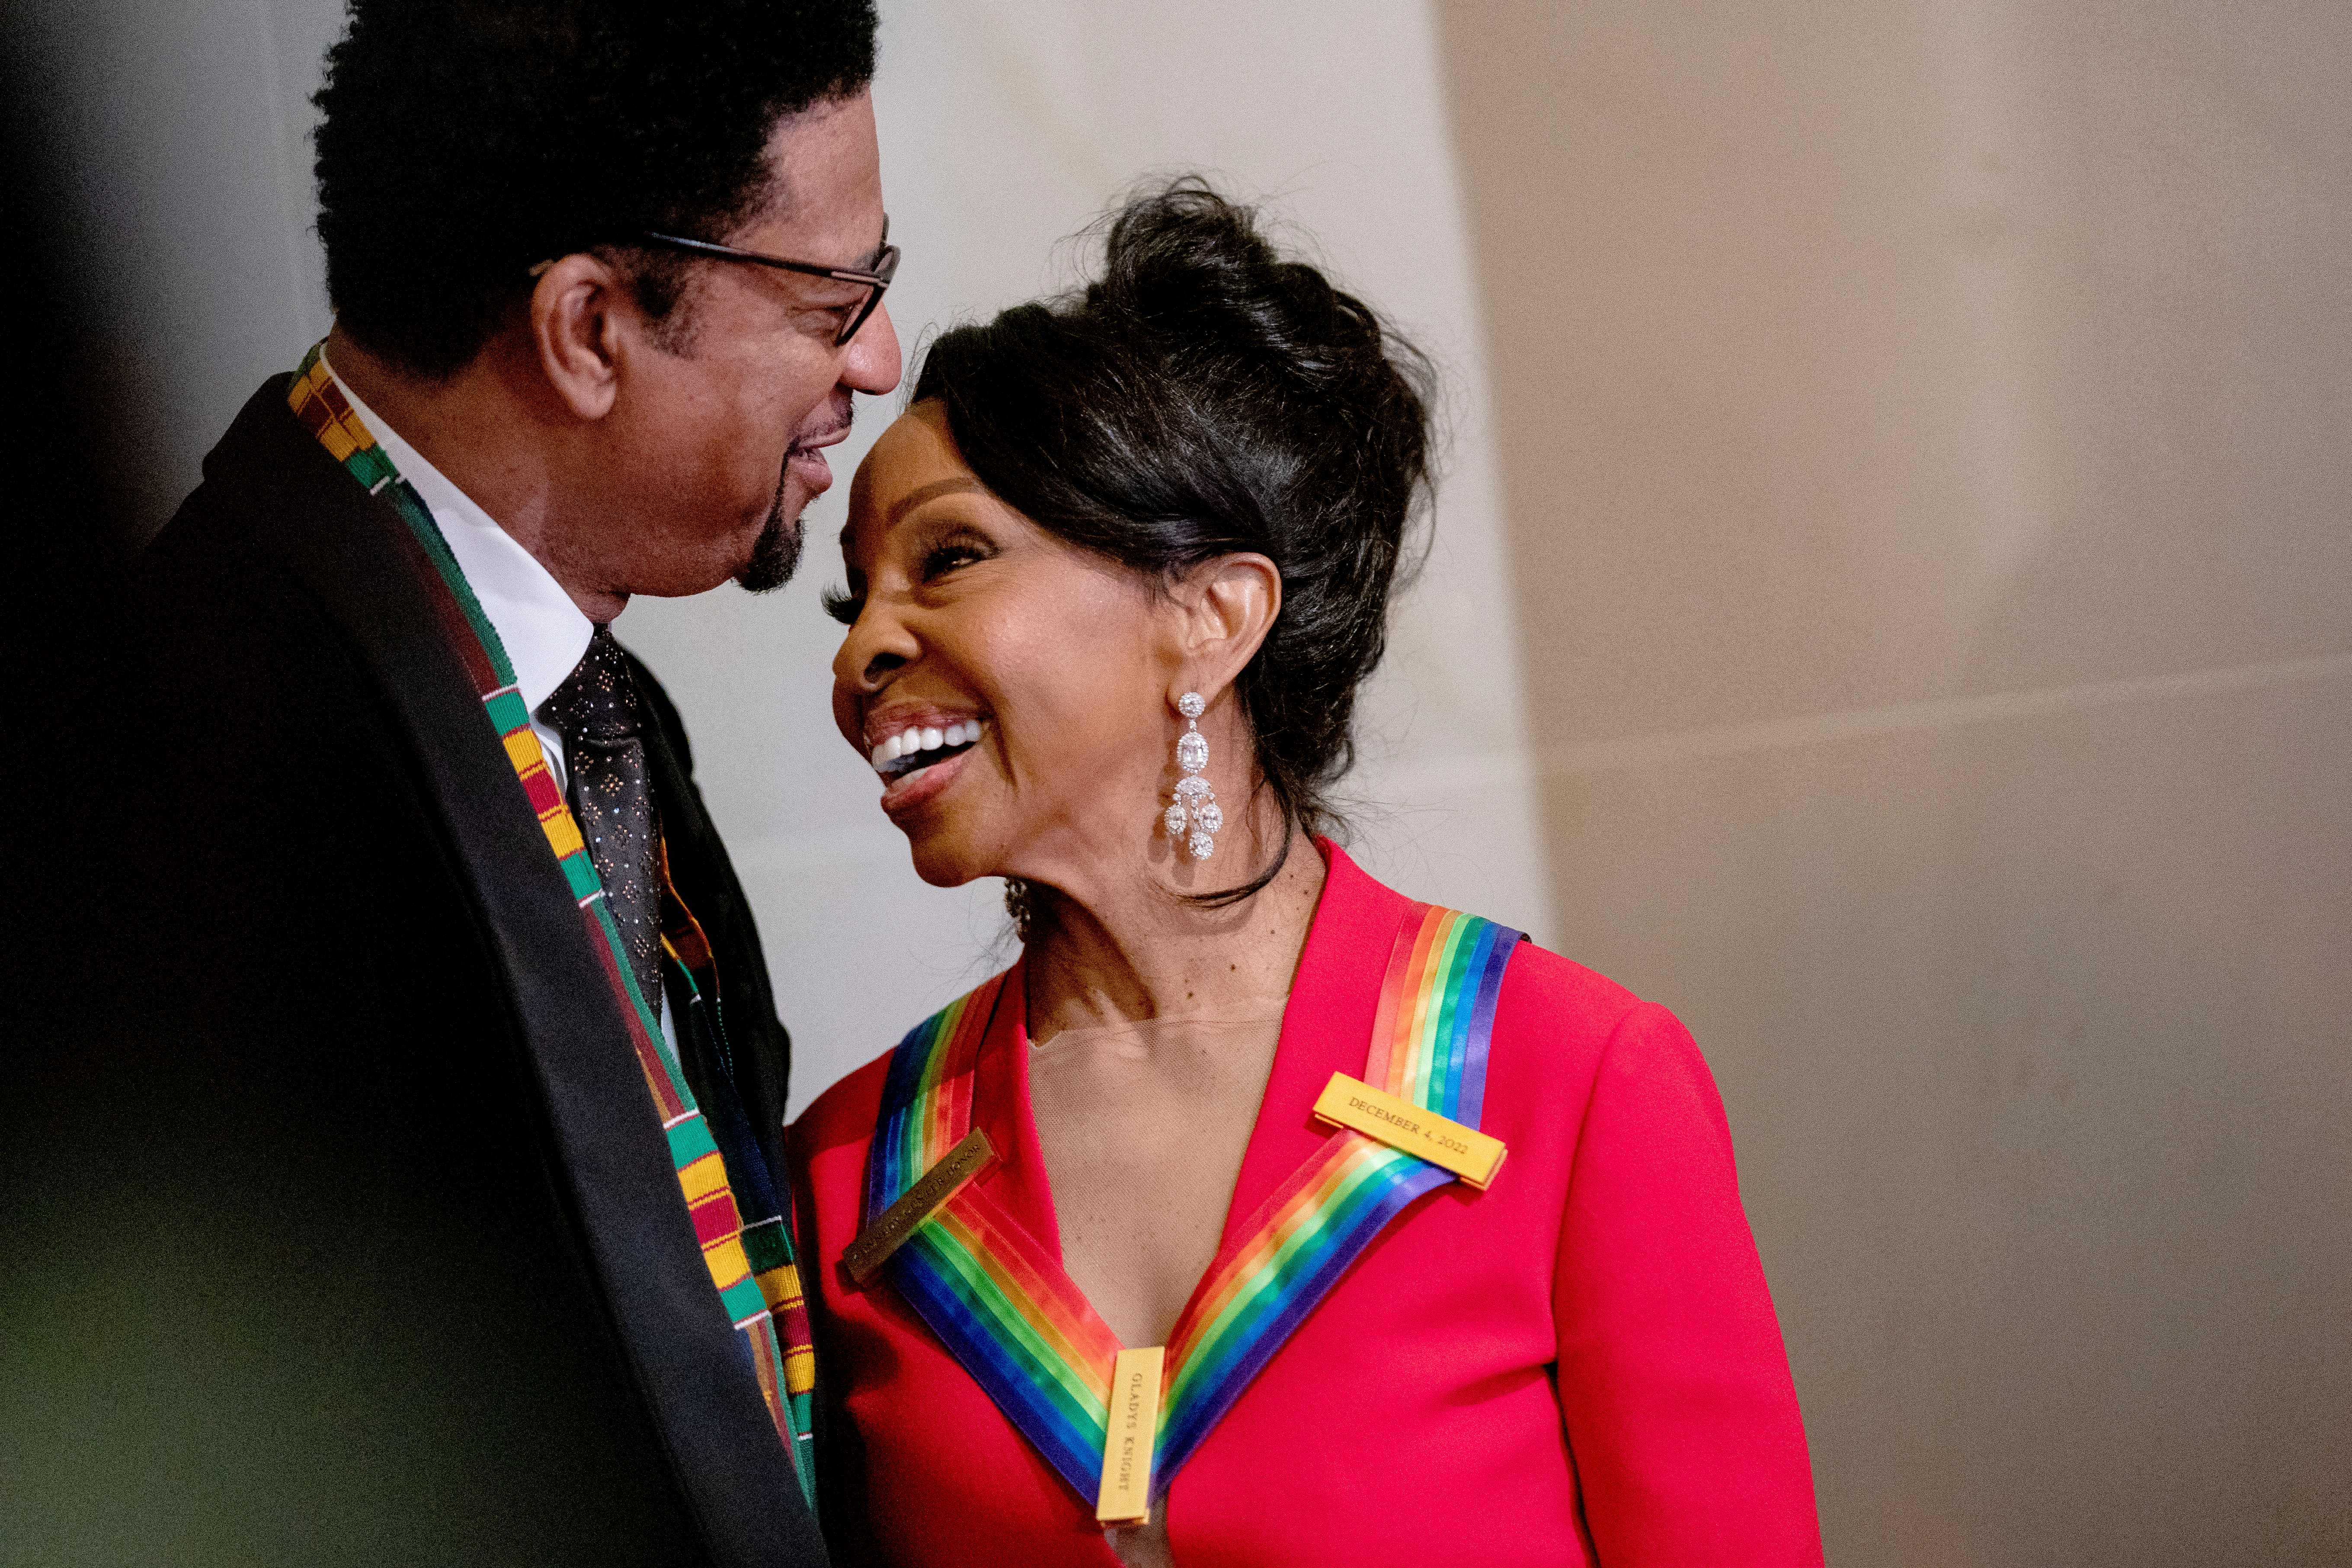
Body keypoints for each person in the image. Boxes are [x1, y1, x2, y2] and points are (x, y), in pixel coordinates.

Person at [789, 181, 1824, 1568]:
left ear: (1210, 616)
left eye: (950, 557)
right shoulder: (848, 1170)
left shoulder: (1574, 1084)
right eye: (858, 598)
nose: (862, 657)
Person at [6, 3, 896, 1564]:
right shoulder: (196, 764)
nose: (878, 363)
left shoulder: (597, 708)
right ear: (588, 329)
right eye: (837, 302)